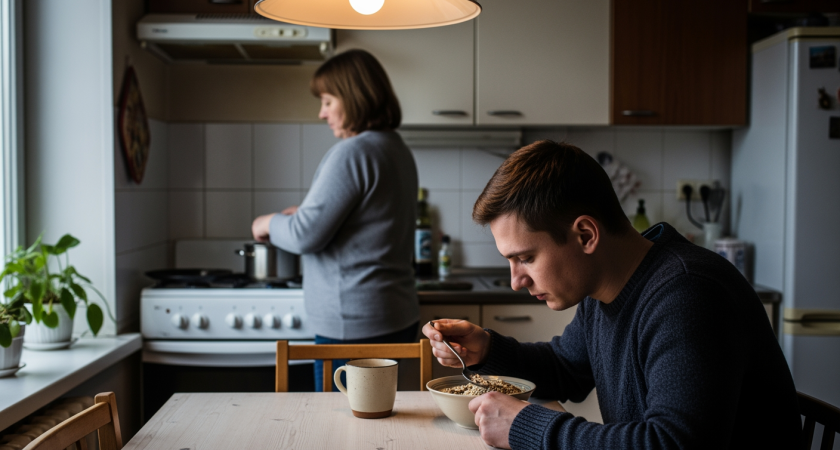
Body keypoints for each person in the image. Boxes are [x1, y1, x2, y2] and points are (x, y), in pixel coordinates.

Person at [422, 140, 801, 449]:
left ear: (585, 235)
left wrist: (529, 427)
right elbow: (565, 369)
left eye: (525, 258)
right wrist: (487, 349)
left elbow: (673, 444)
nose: (516, 281)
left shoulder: (688, 294)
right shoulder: (603, 289)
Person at [252, 49, 419, 390]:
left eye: (328, 101)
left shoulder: (353, 152)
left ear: (354, 97)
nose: (321, 113)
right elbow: (368, 219)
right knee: (376, 424)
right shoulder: (396, 148)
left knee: (340, 429)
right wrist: (302, 214)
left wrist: (266, 222)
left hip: (353, 323)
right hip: (394, 313)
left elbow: (303, 236)